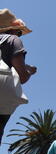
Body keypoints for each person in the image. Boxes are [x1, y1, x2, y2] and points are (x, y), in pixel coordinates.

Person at [0, 9, 37, 144]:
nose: (19, 35)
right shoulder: (12, 40)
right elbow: (22, 77)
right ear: (13, 30)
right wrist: (29, 72)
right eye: (20, 32)